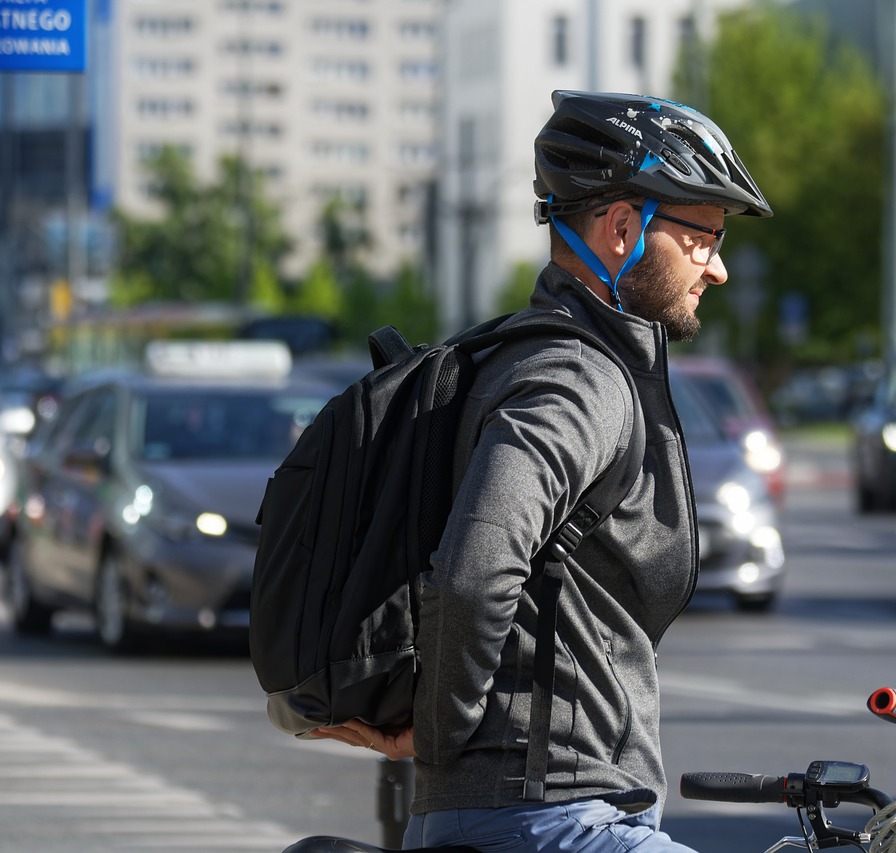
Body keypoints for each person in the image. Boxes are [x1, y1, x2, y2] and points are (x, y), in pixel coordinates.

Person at [312, 90, 772, 852]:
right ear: (624, 227)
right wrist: (438, 735)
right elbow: (475, 567)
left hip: (533, 811)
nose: (717, 268)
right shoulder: (574, 379)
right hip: (542, 818)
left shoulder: (531, 356)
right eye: (703, 237)